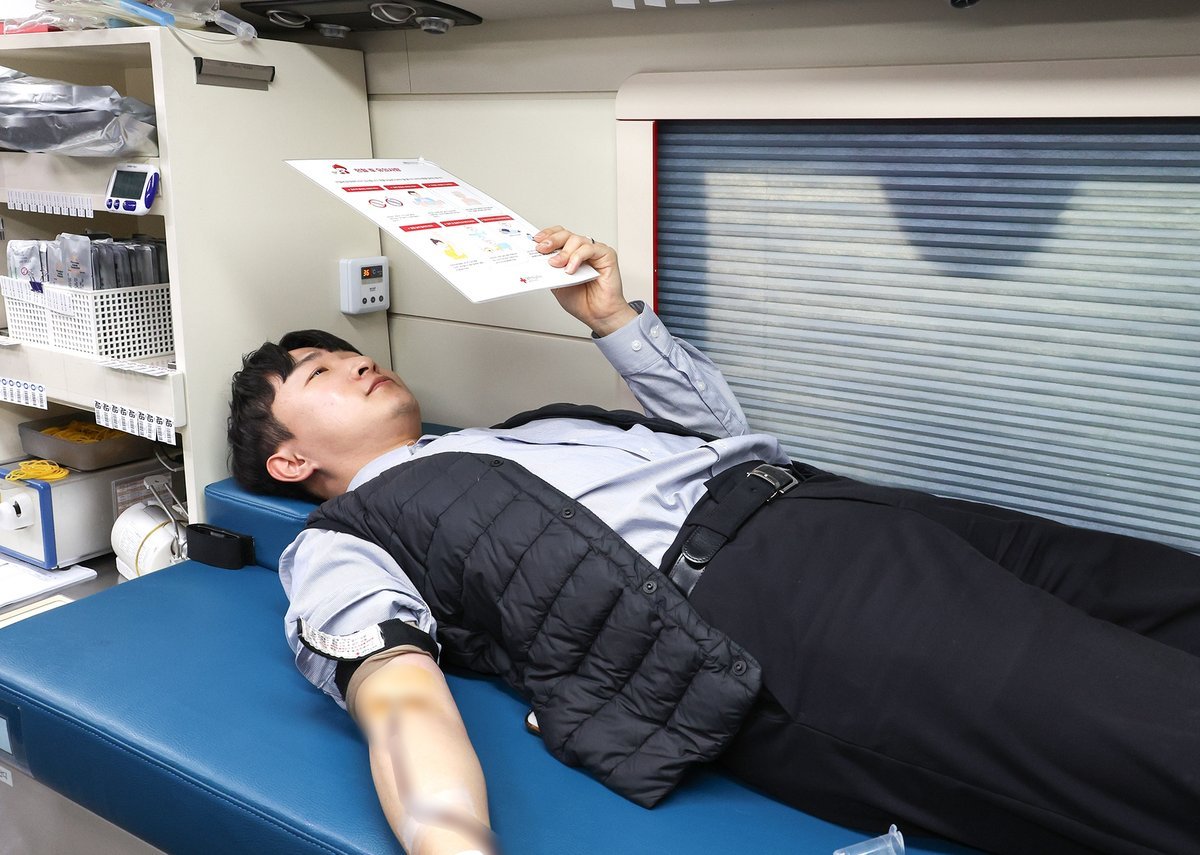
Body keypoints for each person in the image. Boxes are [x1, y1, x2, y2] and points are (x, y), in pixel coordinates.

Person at [228, 227, 1200, 855]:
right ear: (288, 459)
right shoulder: (344, 536)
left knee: (1167, 589)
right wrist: (454, 844)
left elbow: (725, 435)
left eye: (346, 351)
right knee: (1154, 729)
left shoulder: (520, 429)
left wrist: (609, 318)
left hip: (844, 508)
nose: (352, 362)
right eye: (318, 373)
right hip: (764, 606)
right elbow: (394, 690)